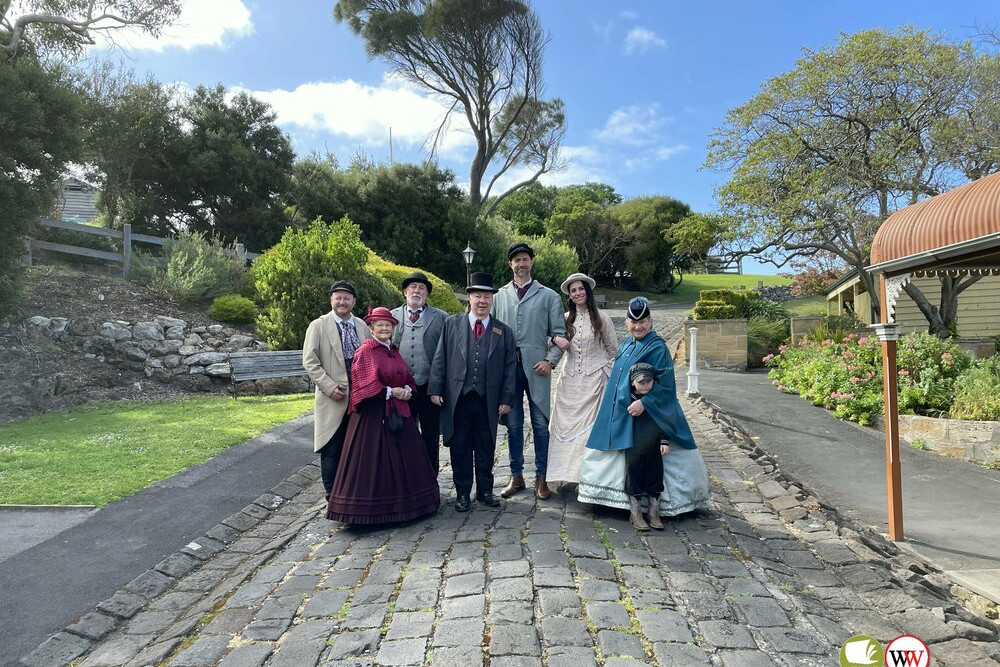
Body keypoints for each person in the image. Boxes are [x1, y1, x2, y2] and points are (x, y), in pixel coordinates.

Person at [578, 296, 711, 519]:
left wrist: (645, 403)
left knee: (647, 459)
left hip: (645, 417)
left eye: (643, 321)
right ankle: (614, 499)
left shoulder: (658, 348)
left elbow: (666, 385)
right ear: (628, 322)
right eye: (633, 321)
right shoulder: (627, 344)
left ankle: (654, 505)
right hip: (619, 412)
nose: (638, 326)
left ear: (650, 322)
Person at [326, 307, 440, 525]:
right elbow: (363, 384)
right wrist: (390, 392)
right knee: (372, 461)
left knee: (408, 456)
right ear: (371, 328)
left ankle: (410, 506)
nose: (385, 328)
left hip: (398, 414)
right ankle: (372, 511)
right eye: (380, 325)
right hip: (373, 418)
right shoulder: (366, 351)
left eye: (388, 325)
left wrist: (406, 388)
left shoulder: (393, 350)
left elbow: (405, 375)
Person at [429, 273, 516, 512]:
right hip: (458, 399)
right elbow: (440, 358)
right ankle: (463, 492)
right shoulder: (452, 324)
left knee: (486, 445)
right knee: (460, 447)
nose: (482, 301)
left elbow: (510, 367)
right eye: (477, 295)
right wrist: (435, 388)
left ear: (492, 300)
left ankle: (485, 491)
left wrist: (507, 398)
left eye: (487, 296)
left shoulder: (503, 331)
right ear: (469, 298)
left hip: (488, 400)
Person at [492, 242, 569, 500]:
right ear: (510, 264)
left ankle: (542, 478)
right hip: (507, 370)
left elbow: (560, 334)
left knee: (540, 425)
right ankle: (516, 477)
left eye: (525, 259)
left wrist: (550, 360)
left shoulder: (548, 296)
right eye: (517, 260)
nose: (521, 264)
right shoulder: (499, 296)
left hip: (538, 370)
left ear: (531, 262)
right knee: (513, 425)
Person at [545, 272, 618, 488]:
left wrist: (602, 367)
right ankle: (568, 474)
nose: (577, 293)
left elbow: (613, 348)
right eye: (573, 290)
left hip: (595, 381)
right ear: (569, 295)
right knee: (564, 429)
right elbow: (546, 340)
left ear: (588, 291)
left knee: (590, 431)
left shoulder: (601, 318)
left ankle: (587, 477)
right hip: (570, 382)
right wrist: (553, 339)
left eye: (580, 288)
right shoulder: (565, 318)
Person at [302, 280, 371, 500]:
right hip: (334, 396)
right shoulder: (319, 325)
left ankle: (353, 492)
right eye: (338, 297)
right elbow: (310, 361)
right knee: (332, 446)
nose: (342, 302)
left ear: (354, 301)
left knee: (357, 446)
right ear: (331, 300)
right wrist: (330, 387)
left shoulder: (361, 325)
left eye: (346, 298)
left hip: (360, 397)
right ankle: (332, 496)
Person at [390, 271, 448, 471]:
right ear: (405, 291)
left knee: (431, 438)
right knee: (403, 436)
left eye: (421, 288)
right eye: (413, 287)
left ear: (427, 294)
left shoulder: (441, 318)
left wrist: (439, 387)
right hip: (401, 390)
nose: (417, 291)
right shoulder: (391, 316)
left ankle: (431, 484)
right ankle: (408, 484)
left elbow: (448, 355)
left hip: (429, 388)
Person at [623, 362, 670, 531]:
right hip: (634, 445)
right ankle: (635, 511)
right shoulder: (628, 399)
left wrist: (664, 440)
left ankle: (654, 511)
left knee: (654, 476)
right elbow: (619, 421)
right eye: (640, 382)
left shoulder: (656, 401)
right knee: (634, 475)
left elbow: (665, 420)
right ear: (632, 382)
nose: (644, 385)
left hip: (653, 446)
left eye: (648, 382)